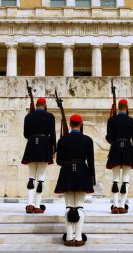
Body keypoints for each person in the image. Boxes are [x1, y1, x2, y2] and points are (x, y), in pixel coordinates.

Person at [54, 114, 95, 247]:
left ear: (70, 124)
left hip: (66, 172)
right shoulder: (88, 140)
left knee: (68, 206)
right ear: (81, 124)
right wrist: (92, 178)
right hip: (82, 172)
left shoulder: (62, 140)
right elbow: (91, 161)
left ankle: (69, 237)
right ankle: (78, 238)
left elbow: (59, 161)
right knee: (79, 207)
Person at [22, 97, 56, 214]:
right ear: (45, 105)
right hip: (44, 144)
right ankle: (37, 206)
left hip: (32, 144)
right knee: (41, 178)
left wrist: (33, 137)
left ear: (36, 105)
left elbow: (26, 134)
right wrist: (53, 149)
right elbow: (52, 134)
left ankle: (29, 204)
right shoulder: (50, 116)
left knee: (31, 177)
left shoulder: (28, 116)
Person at [106, 99, 133, 214]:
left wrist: (114, 142)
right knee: (125, 180)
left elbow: (109, 138)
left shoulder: (111, 120)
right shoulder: (132, 121)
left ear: (118, 107)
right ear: (127, 107)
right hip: (128, 149)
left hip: (115, 148)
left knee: (115, 179)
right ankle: (122, 205)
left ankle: (115, 205)